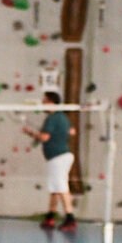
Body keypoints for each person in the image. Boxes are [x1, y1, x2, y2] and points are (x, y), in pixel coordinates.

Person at [23, 91, 76, 231]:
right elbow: (72, 131)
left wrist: (30, 133)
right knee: (55, 188)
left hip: (58, 157)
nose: (42, 104)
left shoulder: (52, 118)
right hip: (63, 155)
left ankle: (70, 218)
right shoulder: (63, 117)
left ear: (51, 102)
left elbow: (44, 137)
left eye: (45, 101)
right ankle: (50, 217)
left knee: (61, 187)